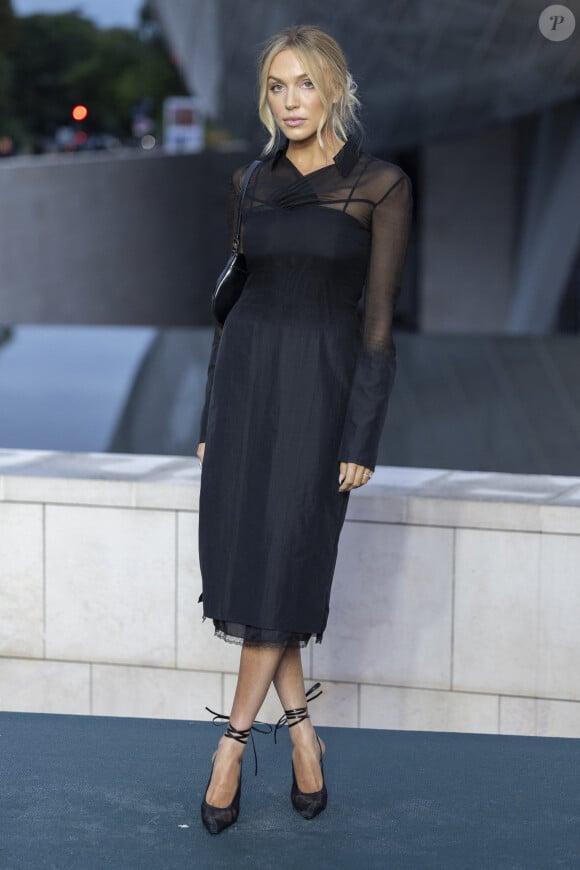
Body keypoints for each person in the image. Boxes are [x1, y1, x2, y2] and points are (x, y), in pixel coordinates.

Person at [196, 24, 413, 834]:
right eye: (277, 87)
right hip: (246, 394)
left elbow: (380, 326)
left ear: (335, 90)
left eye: (305, 85)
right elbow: (227, 312)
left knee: (286, 560)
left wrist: (362, 435)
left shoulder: (379, 185)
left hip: (321, 401)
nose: (291, 101)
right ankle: (305, 738)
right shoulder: (249, 181)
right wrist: (209, 417)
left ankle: (230, 743)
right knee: (258, 573)